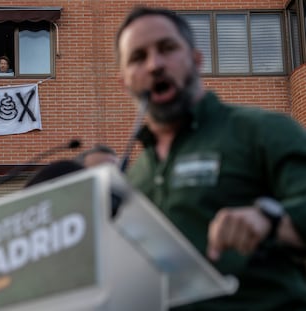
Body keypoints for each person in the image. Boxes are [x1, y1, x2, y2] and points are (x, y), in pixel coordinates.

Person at [116, 6, 306, 310]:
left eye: (167, 48)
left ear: (196, 59)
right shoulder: (134, 176)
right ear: (125, 81)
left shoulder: (264, 131)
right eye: (138, 57)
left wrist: (270, 219)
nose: (154, 65)